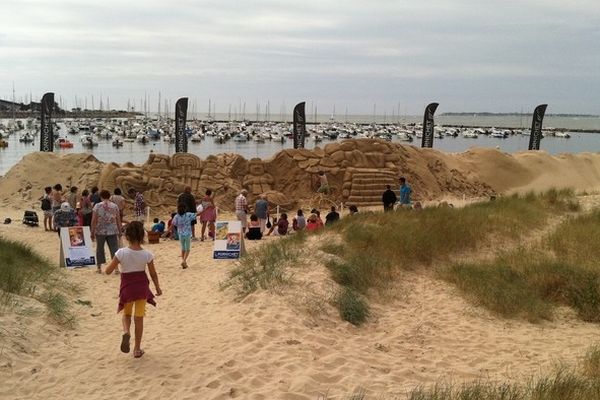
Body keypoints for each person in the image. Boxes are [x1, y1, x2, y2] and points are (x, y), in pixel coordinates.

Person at [105, 221, 162, 359]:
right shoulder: (147, 254)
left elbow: (108, 271)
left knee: (126, 314)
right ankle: (137, 349)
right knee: (139, 318)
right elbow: (153, 274)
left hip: (127, 289)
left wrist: (118, 264)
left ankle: (126, 332)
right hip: (141, 289)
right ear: (142, 236)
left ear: (127, 236)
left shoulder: (121, 253)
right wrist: (158, 288)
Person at [91, 190, 122, 274]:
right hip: (112, 230)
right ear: (109, 196)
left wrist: (92, 231)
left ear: (101, 196)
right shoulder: (114, 206)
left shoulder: (97, 206)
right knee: (114, 249)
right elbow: (118, 219)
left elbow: (94, 220)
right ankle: (116, 268)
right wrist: (120, 230)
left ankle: (99, 268)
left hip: (100, 230)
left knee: (99, 249)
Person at [169, 203, 200, 269]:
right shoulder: (188, 215)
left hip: (180, 234)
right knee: (187, 249)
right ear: (185, 209)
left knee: (183, 248)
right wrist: (205, 209)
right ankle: (184, 261)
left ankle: (184, 263)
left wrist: (166, 233)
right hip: (187, 234)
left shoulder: (176, 216)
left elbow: (172, 225)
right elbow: (197, 214)